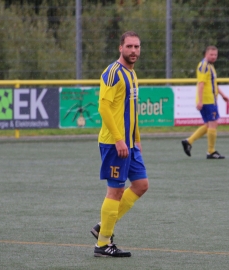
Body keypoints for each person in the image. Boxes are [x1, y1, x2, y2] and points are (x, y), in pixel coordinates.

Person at [91, 31, 149, 257]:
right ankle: (103, 244)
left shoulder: (132, 74)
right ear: (120, 48)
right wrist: (118, 139)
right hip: (114, 143)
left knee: (141, 185)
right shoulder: (112, 73)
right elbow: (103, 108)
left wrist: (136, 139)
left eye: (137, 46)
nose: (134, 51)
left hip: (129, 144)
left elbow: (132, 111)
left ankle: (101, 228)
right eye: (129, 47)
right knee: (114, 191)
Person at [181, 46, 229, 159]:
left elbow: (213, 83)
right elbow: (201, 84)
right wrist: (201, 101)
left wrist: (222, 95)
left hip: (211, 100)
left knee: (209, 125)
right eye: (211, 54)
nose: (213, 57)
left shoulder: (210, 66)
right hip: (207, 101)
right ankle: (211, 151)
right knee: (213, 124)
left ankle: (188, 141)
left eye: (215, 55)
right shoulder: (204, 66)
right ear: (206, 54)